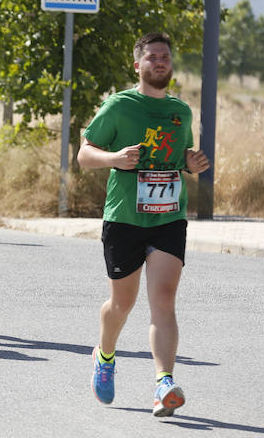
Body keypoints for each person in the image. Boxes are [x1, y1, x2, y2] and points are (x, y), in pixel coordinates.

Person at [77, 32, 210, 418]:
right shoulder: (119, 106)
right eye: (152, 57)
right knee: (122, 303)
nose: (160, 62)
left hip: (169, 216)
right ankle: (104, 357)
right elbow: (85, 154)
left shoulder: (181, 112)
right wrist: (114, 158)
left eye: (165, 57)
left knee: (164, 300)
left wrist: (190, 161)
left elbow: (179, 154)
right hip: (125, 217)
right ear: (137, 65)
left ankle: (163, 383)